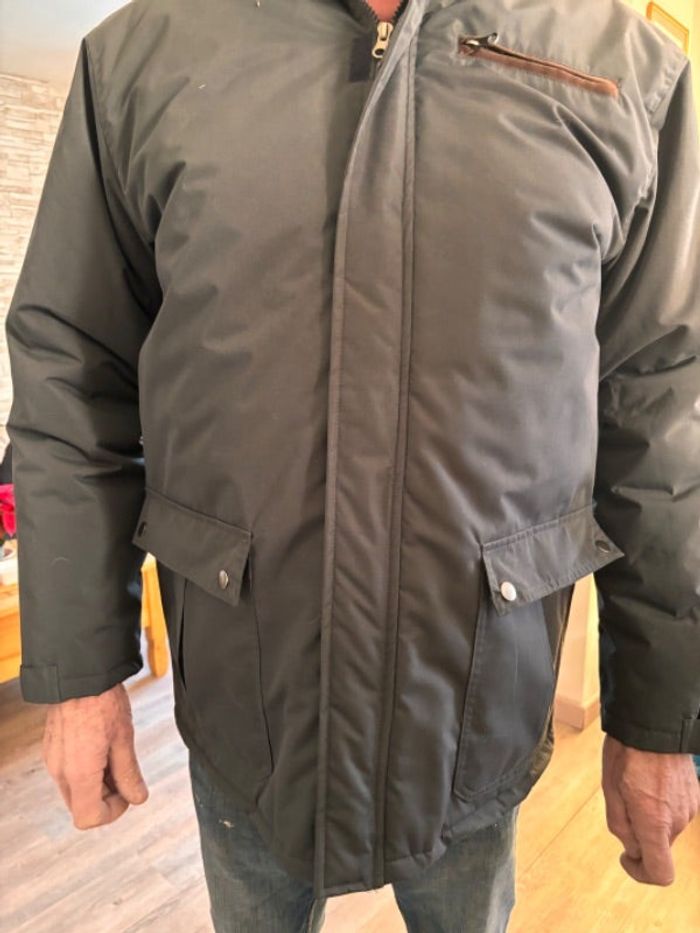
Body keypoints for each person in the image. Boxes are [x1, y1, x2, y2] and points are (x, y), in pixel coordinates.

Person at [5, 0, 700, 930]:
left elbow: (661, 415)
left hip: (477, 716)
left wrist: (659, 716)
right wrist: (81, 668)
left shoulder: (627, 68)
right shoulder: (145, 53)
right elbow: (73, 372)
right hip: (249, 715)